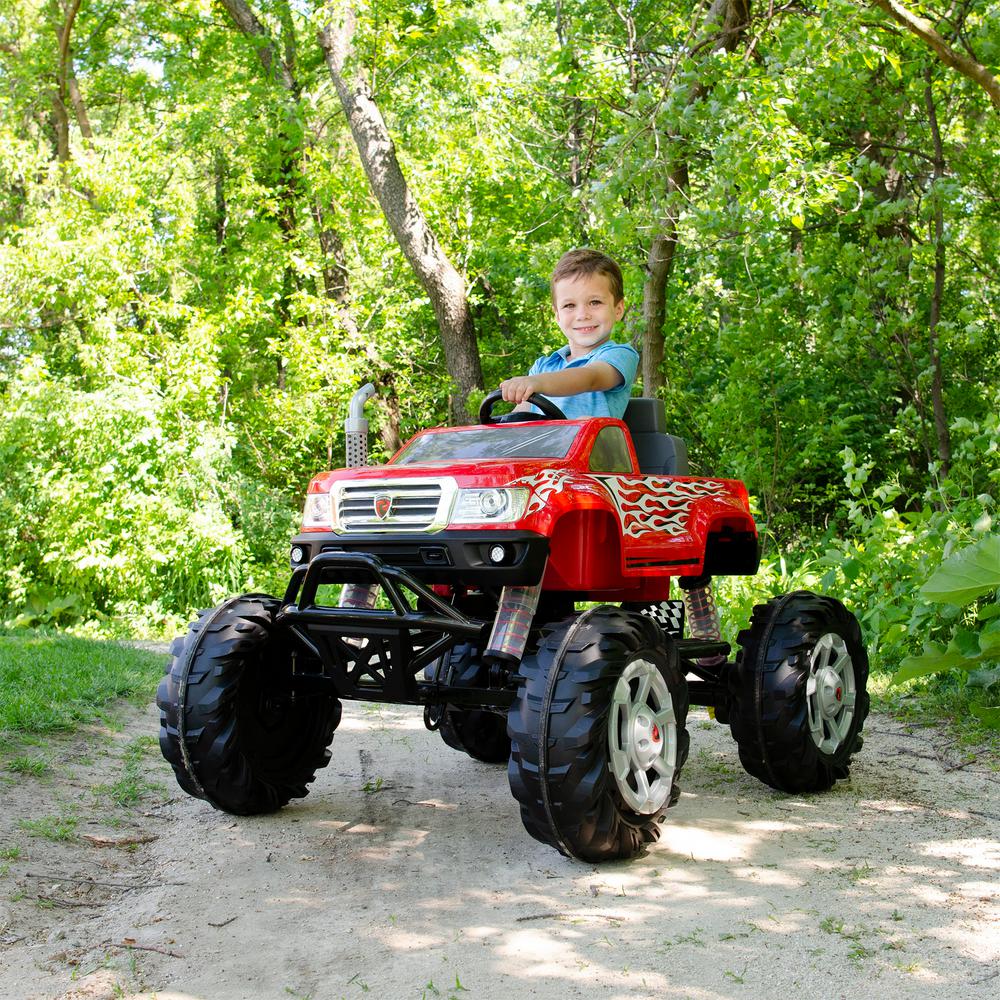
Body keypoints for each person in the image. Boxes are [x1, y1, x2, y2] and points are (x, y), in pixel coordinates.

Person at [499, 248, 639, 419]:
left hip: (593, 445)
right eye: (569, 306)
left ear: (618, 309)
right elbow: (520, 416)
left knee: (583, 422)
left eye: (595, 302)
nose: (582, 315)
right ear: (557, 315)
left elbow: (590, 378)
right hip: (546, 445)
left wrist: (537, 383)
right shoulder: (543, 367)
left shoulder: (619, 356)